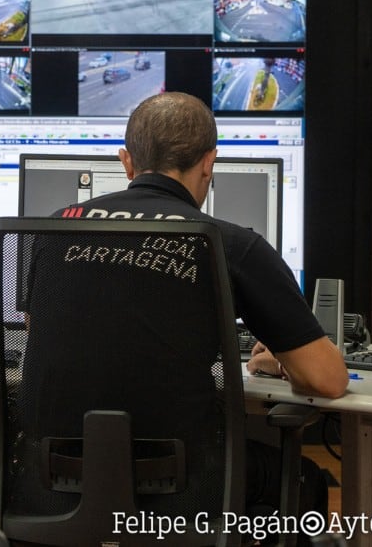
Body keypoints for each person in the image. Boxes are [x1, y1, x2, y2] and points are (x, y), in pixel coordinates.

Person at [56, 91, 348, 513]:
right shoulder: (232, 245)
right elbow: (328, 380)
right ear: (210, 162)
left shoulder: (53, 230)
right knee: (304, 479)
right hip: (185, 483)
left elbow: (42, 341)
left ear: (126, 162)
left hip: (57, 474)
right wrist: (282, 361)